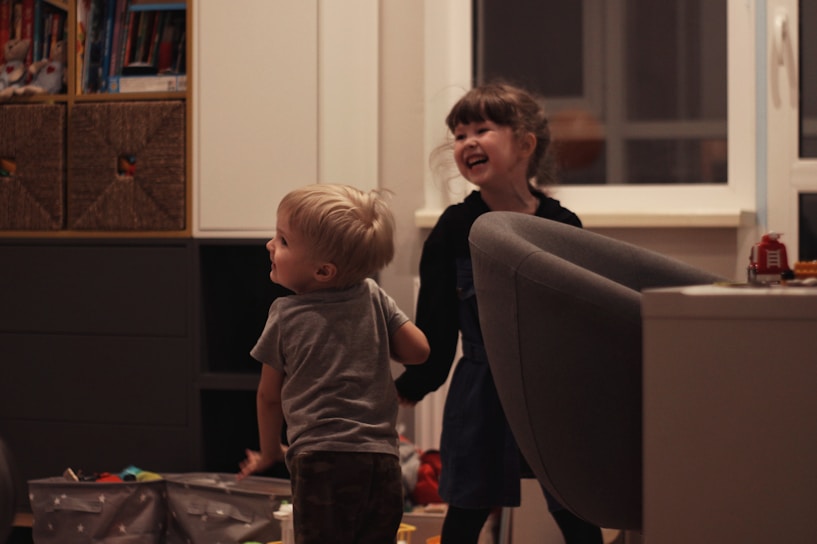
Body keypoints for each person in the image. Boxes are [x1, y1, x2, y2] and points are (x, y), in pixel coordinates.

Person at [394, 83, 604, 544]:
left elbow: (581, 320)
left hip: (550, 391)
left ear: (524, 143)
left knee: (573, 509)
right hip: (481, 390)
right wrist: (413, 383)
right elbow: (436, 322)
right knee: (466, 511)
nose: (466, 141)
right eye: (458, 133)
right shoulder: (452, 230)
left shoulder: (562, 226)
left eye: (482, 129)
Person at [238, 183, 430, 544]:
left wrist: (268, 453)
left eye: (283, 241)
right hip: (382, 459)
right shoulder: (374, 296)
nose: (270, 245)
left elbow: (268, 397)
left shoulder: (285, 315)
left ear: (323, 271)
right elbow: (419, 351)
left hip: (320, 462)